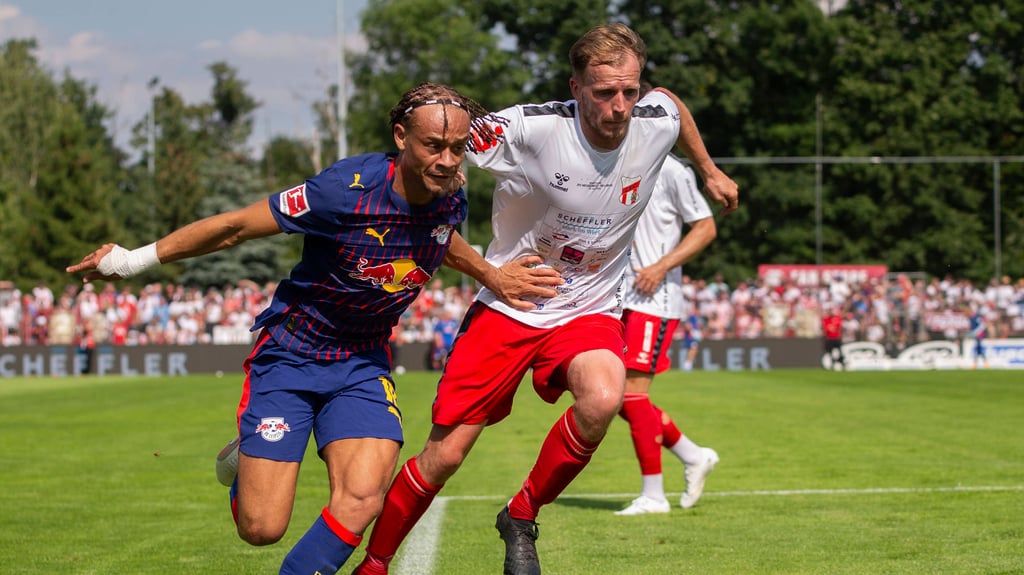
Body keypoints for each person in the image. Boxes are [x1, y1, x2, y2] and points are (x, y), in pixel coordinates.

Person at [66, 83, 556, 575]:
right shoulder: (343, 189)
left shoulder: (449, 195)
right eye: (434, 146)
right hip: (290, 355)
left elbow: (439, 237)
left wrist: (492, 273)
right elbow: (236, 226)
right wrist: (132, 261)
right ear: (401, 136)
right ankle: (245, 456)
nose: (449, 160)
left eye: (457, 147)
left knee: (363, 497)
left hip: (363, 362)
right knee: (262, 529)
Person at [351, 23, 738, 575]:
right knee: (445, 456)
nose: (621, 106)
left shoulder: (654, 119)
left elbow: (671, 105)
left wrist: (709, 168)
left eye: (629, 91)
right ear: (575, 87)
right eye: (605, 93)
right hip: (511, 307)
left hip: (589, 308)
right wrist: (426, 187)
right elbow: (441, 143)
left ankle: (522, 513)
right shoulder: (527, 128)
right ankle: (375, 563)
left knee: (605, 398)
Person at [613, 149, 720, 516]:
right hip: (618, 298)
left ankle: (654, 495)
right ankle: (694, 455)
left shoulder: (672, 170)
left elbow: (706, 226)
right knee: (610, 395)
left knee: (630, 396)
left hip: (653, 300)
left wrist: (660, 266)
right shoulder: (613, 160)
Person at [822, 305, 846, 370]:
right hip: (829, 338)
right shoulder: (826, 319)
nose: (830, 312)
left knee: (840, 352)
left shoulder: (837, 318)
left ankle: (842, 363)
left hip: (836, 338)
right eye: (829, 311)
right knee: (829, 352)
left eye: (831, 311)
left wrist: (840, 336)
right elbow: (826, 329)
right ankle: (831, 364)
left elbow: (839, 328)